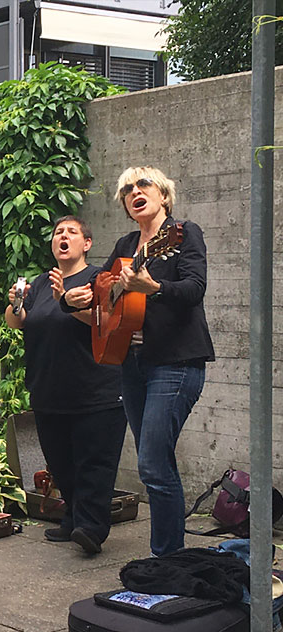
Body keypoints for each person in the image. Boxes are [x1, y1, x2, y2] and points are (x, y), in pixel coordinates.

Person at [65, 166, 214, 557]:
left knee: (149, 463)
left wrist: (156, 287)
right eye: (127, 189)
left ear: (163, 195)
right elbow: (103, 292)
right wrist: (76, 299)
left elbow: (194, 289)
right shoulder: (127, 244)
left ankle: (165, 559)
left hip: (176, 363)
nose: (135, 191)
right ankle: (172, 557)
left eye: (143, 185)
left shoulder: (181, 235)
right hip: (131, 364)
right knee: (158, 462)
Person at [5, 216, 126, 555]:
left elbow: (108, 320)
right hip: (49, 391)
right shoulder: (42, 283)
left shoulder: (99, 278)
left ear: (86, 244)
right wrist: (15, 301)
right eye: (59, 232)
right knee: (61, 464)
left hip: (96, 392)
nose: (64, 236)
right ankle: (73, 519)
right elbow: (18, 322)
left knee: (93, 465)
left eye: (72, 232)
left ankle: (92, 529)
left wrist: (67, 302)